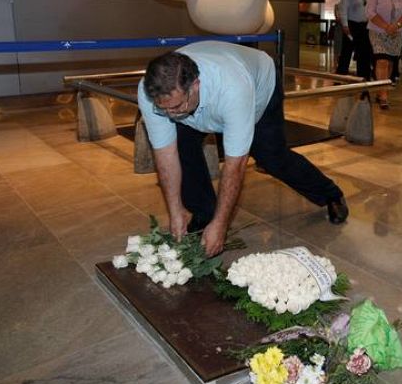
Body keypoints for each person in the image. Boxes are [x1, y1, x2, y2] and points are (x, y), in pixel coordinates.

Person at [138, 42, 349, 257]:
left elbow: (235, 166)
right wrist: (175, 211)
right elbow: (165, 158)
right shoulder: (152, 93)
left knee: (271, 157)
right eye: (163, 109)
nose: (171, 115)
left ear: (195, 85)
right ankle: (204, 214)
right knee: (183, 152)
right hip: (209, 96)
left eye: (176, 107)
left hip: (258, 87)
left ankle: (330, 194)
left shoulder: (232, 88)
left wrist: (222, 225)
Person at [335, 0, 372, 79]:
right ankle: (340, 77)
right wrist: (345, 25)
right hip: (352, 25)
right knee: (347, 52)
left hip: (365, 26)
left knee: (364, 53)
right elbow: (343, 9)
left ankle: (363, 76)